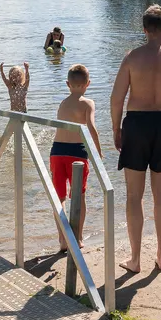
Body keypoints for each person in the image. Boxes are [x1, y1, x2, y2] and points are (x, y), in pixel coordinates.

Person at [110, 4, 161, 272]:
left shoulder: (132, 58)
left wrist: (116, 129)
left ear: (144, 29)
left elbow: (116, 99)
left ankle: (135, 259)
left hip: (137, 124)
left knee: (134, 195)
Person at [51, 64, 102, 249]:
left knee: (59, 197)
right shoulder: (88, 103)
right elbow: (91, 127)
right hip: (77, 152)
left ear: (67, 84)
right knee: (79, 196)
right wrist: (98, 151)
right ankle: (78, 238)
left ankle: (63, 240)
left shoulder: (63, 103)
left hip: (57, 151)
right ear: (88, 83)